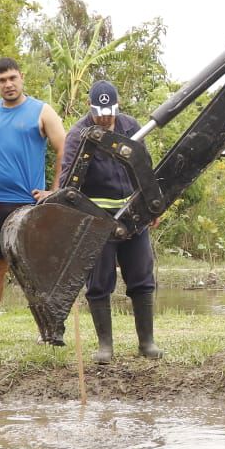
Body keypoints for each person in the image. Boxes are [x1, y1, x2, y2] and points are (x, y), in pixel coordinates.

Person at [0, 58, 66, 345]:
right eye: (2, 80)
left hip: (29, 203)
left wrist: (54, 191)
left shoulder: (42, 111)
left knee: (37, 269)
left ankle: (49, 331)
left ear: (22, 77)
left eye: (12, 78)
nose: (8, 84)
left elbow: (64, 149)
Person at [59, 80, 162, 362]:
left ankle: (147, 342)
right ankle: (105, 345)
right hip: (97, 218)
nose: (106, 117)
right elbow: (67, 181)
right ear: (90, 108)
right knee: (99, 281)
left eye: (110, 111)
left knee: (141, 275)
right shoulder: (78, 135)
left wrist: (152, 206)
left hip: (133, 215)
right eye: (100, 112)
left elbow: (145, 167)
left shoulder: (131, 126)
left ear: (118, 106)